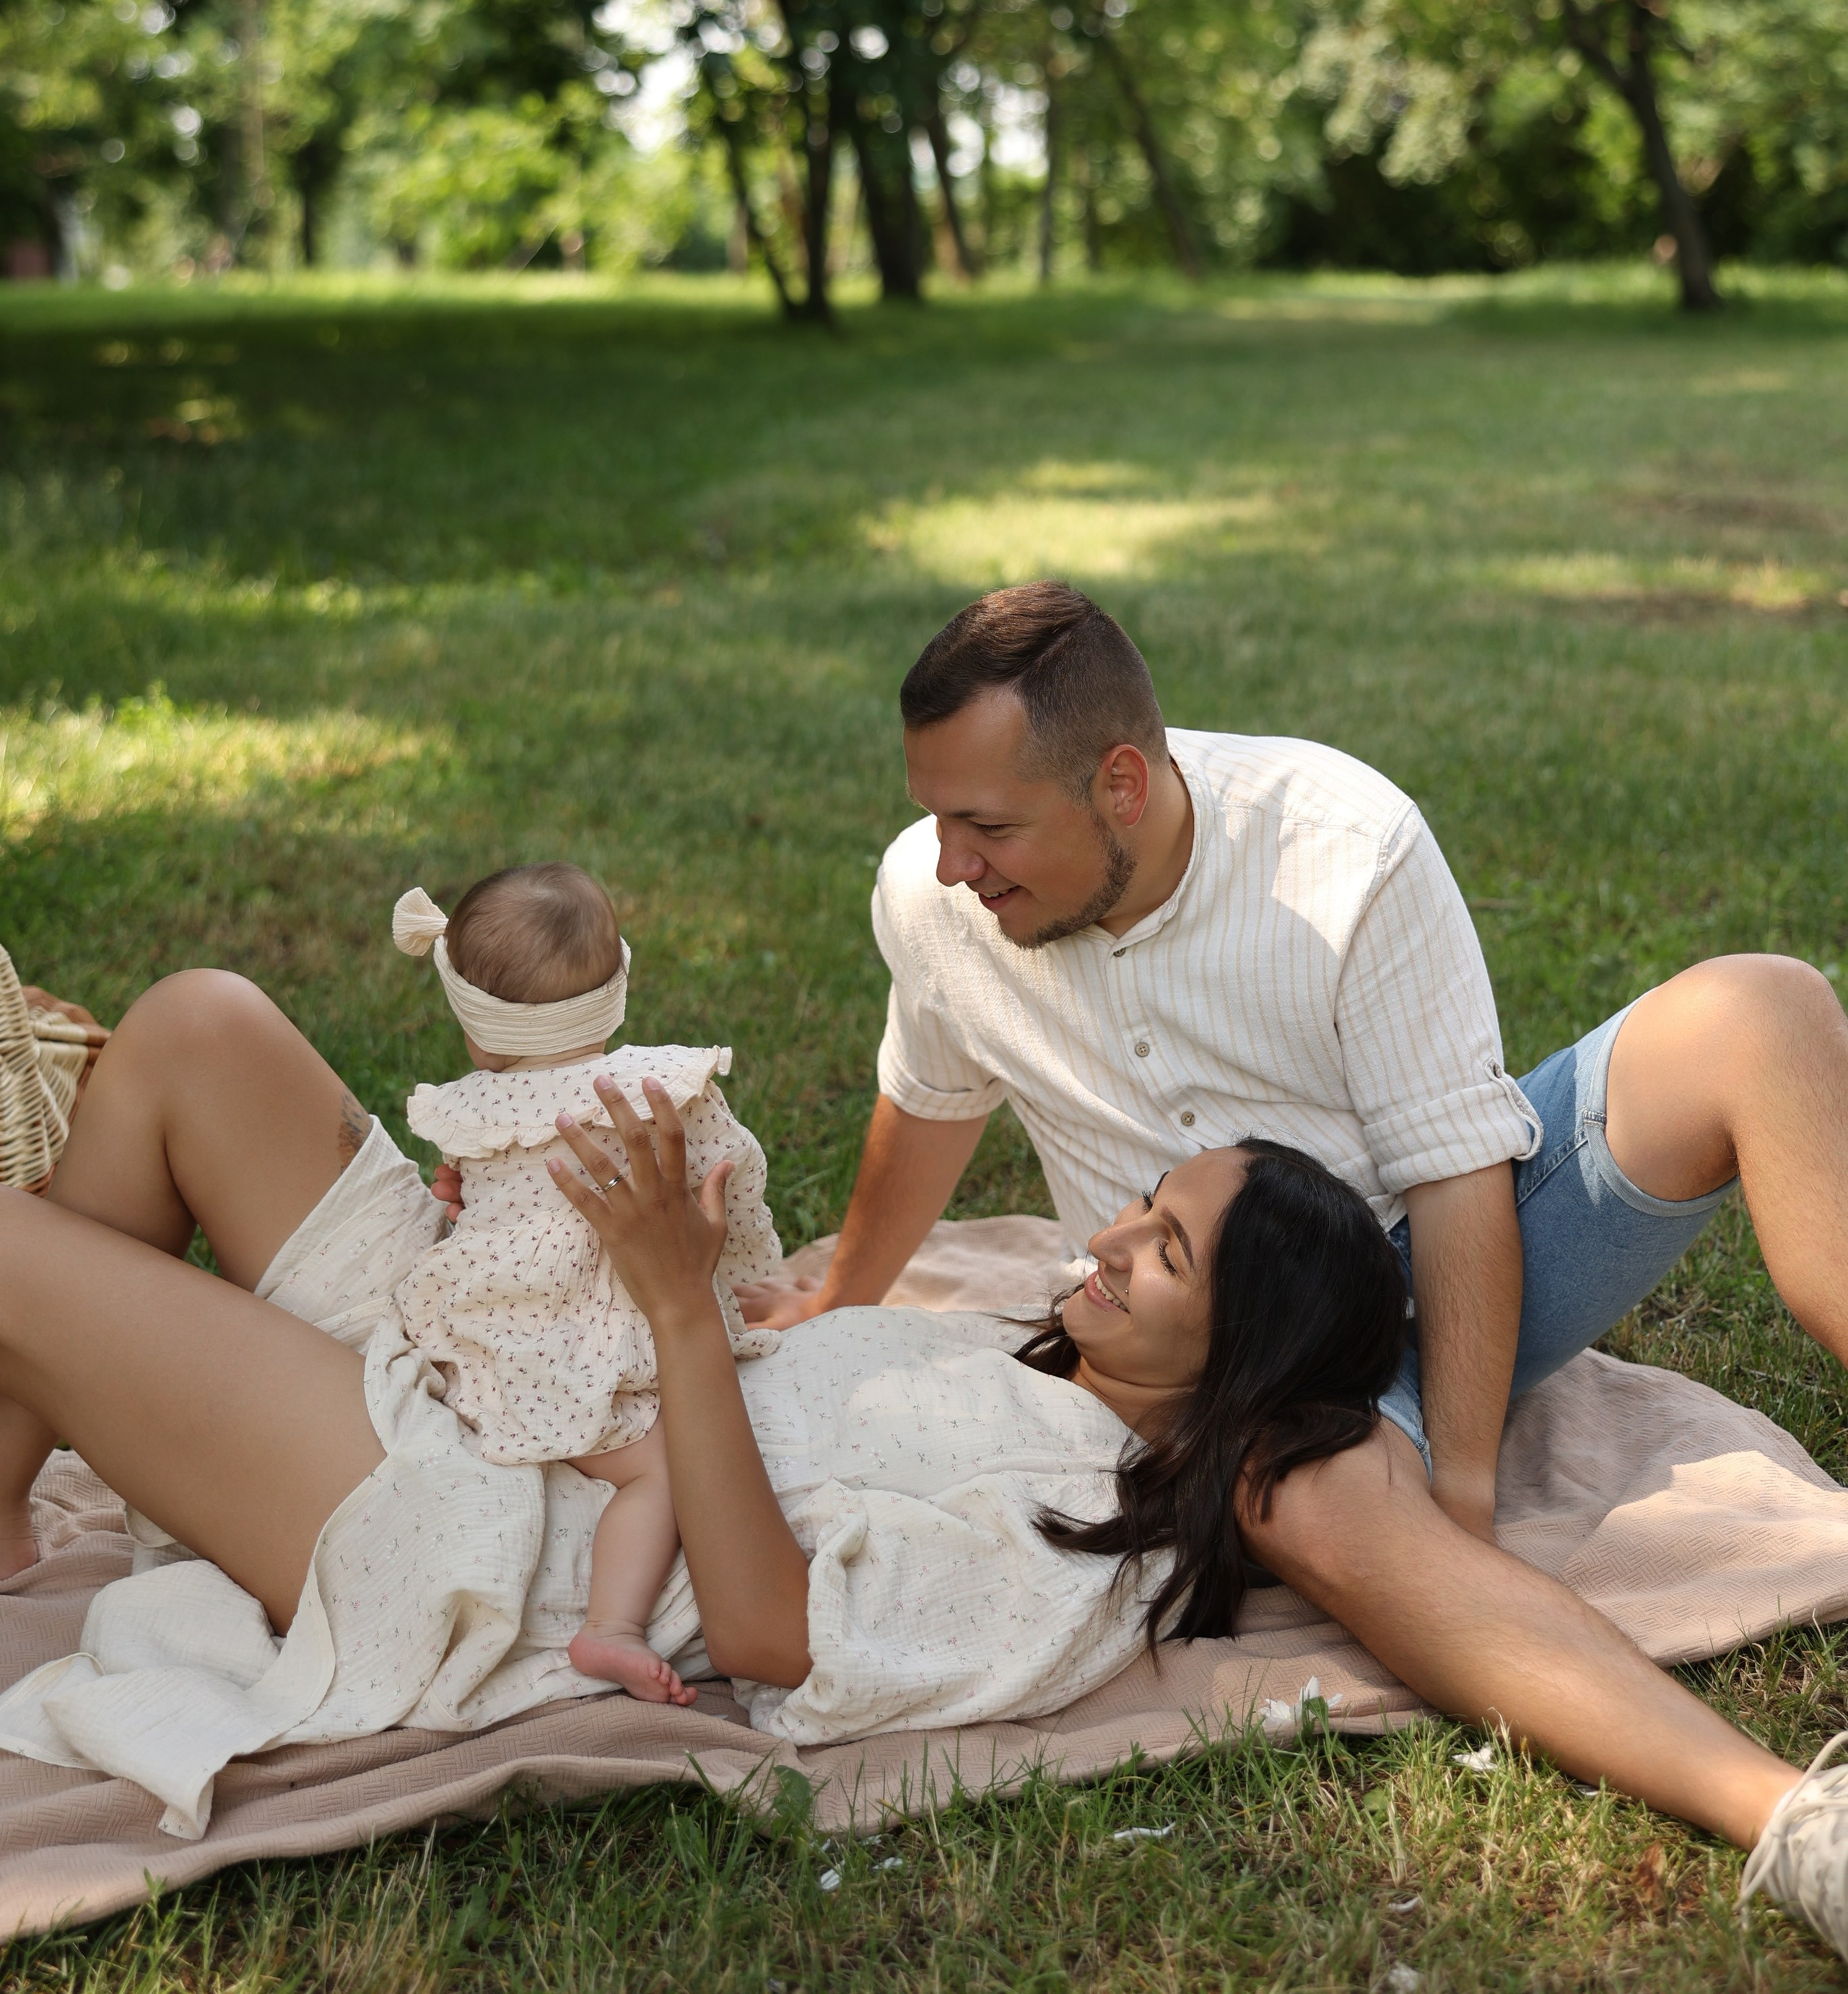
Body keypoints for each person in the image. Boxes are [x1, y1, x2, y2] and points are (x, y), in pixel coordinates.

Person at [0, 971, 1846, 1953]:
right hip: (504, 1375)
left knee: (19, 1257)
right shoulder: (1008, 1357)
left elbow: (771, 1632)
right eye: (1143, 1204)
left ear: (1240, 1369)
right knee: (195, 1028)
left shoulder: (1069, 1548)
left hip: (461, 1519)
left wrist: (667, 1315)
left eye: (1164, 1252)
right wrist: (632, 1255)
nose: (1108, 1239)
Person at [735, 582, 1848, 1572]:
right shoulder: (935, 902)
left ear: (1121, 783)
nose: (950, 864)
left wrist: (1462, 1488)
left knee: (1764, 1008)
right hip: (1239, 1351)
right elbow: (931, 1100)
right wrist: (841, 1300)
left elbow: (1459, 1171)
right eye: (935, 817)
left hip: (1444, 1248)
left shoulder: (1341, 845)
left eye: (985, 826)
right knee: (1297, 1500)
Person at [389, 859, 780, 1702]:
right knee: (662, 1471)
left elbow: (487, 1208)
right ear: (618, 989)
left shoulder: (474, 1112)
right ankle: (610, 1627)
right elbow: (728, 1181)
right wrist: (744, 1275)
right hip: (605, 1336)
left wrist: (465, 1208)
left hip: (503, 1333)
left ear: (477, 1027)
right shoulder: (664, 1090)